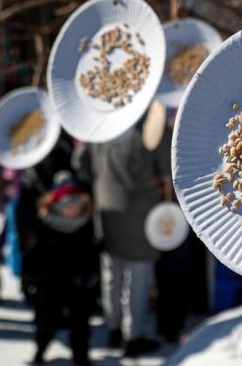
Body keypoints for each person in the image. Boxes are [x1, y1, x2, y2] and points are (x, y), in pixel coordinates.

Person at [74, 122, 167, 357]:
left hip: (107, 216)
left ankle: (114, 328)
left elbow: (81, 165)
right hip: (140, 218)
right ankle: (132, 336)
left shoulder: (98, 131)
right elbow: (165, 170)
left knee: (112, 277)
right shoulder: (146, 133)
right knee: (136, 280)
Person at [17, 136, 98, 366]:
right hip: (50, 280)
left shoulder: (84, 225)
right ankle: (40, 350)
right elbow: (32, 255)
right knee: (46, 319)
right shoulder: (44, 227)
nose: (72, 208)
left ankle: (80, 355)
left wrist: (91, 275)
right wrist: (30, 279)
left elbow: (91, 252)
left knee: (80, 320)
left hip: (77, 282)